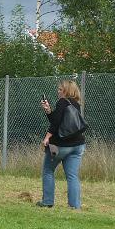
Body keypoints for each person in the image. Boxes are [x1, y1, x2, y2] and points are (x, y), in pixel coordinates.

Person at [38, 79, 86, 209]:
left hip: (60, 146)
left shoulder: (62, 102)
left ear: (66, 91)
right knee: (72, 176)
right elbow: (58, 119)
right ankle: (75, 206)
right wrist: (48, 111)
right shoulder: (76, 104)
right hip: (78, 145)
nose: (58, 92)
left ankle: (47, 201)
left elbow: (55, 123)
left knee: (48, 171)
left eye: (60, 89)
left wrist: (47, 136)